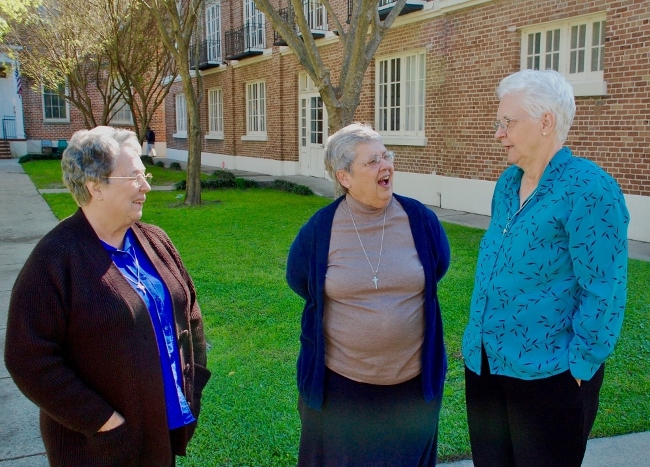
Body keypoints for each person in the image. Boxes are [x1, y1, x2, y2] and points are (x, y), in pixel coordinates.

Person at [4, 126, 211, 466]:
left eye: (144, 175)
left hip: (160, 428)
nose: (146, 186)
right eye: (134, 177)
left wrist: (194, 381)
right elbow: (27, 359)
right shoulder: (54, 260)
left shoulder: (154, 240)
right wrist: (104, 423)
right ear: (95, 186)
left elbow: (189, 310)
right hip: (99, 449)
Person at [462, 69, 629, 467]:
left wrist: (580, 365)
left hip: (549, 373)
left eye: (508, 122)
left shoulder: (589, 188)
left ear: (545, 122)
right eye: (498, 123)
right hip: (486, 363)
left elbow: (605, 288)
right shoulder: (508, 183)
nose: (498, 133)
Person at [286, 123, 451, 465]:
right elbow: (301, 281)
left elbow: (437, 268)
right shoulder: (319, 231)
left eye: (387, 155)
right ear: (344, 177)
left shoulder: (421, 220)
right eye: (373, 160)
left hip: (412, 388)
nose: (386, 165)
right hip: (343, 390)